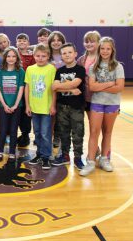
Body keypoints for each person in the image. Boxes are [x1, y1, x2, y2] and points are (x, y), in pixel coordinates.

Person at [80, 37, 125, 176]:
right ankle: (91, 161)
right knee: (94, 132)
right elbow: (92, 87)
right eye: (102, 48)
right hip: (97, 103)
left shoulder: (118, 66)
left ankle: (105, 159)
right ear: (99, 50)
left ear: (112, 50)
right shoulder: (94, 66)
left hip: (112, 104)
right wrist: (110, 83)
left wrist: (103, 86)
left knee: (107, 132)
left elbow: (120, 87)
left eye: (108, 48)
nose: (105, 51)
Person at [51, 43, 86, 170]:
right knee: (63, 133)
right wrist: (72, 89)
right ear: (61, 56)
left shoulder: (80, 69)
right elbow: (54, 87)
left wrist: (63, 85)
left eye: (70, 52)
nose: (67, 55)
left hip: (76, 107)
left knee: (78, 133)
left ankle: (78, 158)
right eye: (64, 53)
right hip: (62, 107)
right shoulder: (59, 71)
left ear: (75, 54)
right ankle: (65, 156)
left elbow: (76, 82)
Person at [25, 43, 56, 170]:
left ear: (48, 56)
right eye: (38, 56)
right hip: (34, 107)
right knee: (37, 132)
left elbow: (54, 89)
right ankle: (39, 154)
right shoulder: (30, 69)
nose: (40, 58)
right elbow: (27, 87)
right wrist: (27, 105)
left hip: (46, 108)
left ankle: (46, 157)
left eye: (43, 56)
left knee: (45, 133)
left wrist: (53, 105)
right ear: (34, 55)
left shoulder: (51, 69)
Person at [0, 47, 25, 162]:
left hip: (17, 107)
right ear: (5, 58)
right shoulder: (0, 71)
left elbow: (21, 89)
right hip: (4, 107)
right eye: (8, 56)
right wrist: (4, 105)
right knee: (2, 129)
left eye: (13, 56)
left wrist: (15, 105)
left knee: (13, 130)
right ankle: (0, 151)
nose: (11, 58)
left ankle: (12, 152)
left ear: (17, 58)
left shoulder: (20, 71)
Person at [48, 31, 66, 151]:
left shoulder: (66, 54)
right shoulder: (46, 55)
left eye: (58, 40)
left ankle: (58, 137)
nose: (56, 42)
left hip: (64, 91)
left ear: (63, 42)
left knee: (62, 117)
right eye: (53, 40)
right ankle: (49, 138)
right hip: (49, 91)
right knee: (51, 116)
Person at [16, 33, 35, 147]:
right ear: (16, 43)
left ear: (28, 43)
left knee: (26, 114)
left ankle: (25, 134)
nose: (22, 42)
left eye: (24, 40)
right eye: (19, 40)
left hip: (29, 89)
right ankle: (14, 133)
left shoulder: (33, 56)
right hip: (16, 89)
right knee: (17, 112)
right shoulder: (14, 55)